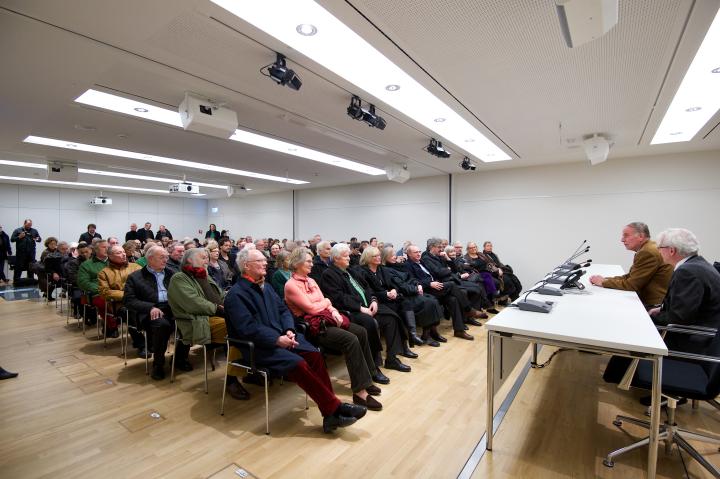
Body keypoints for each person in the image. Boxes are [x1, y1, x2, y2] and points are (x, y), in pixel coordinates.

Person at [224, 247, 367, 432]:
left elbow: (283, 310)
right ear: (246, 265)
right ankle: (335, 408)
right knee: (298, 363)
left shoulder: (265, 286)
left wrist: (289, 329)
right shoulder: (236, 295)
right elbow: (248, 328)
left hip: (284, 336)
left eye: (264, 260)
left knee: (314, 354)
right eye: (260, 261)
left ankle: (330, 411)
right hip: (260, 346)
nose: (266, 262)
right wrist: (277, 339)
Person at [604, 228, 720, 391]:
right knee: (641, 320)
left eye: (660, 248)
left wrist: (649, 318)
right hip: (703, 334)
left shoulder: (688, 272)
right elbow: (685, 306)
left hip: (693, 340)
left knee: (636, 327)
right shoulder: (697, 265)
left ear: (671, 250)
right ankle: (620, 375)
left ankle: (620, 377)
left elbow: (680, 317)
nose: (658, 251)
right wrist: (660, 309)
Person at [284, 248, 384, 409]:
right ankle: (360, 393)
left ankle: (369, 376)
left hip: (326, 318)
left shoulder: (311, 281)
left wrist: (334, 311)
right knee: (351, 339)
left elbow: (325, 302)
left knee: (361, 331)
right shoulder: (291, 285)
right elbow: (311, 309)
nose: (312, 264)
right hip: (313, 326)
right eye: (309, 261)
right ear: (298, 264)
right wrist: (326, 305)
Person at [167, 248, 247, 400]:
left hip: (217, 317)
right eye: (203, 258)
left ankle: (250, 370)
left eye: (207, 258)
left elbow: (220, 295)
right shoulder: (179, 278)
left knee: (248, 324)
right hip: (198, 321)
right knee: (236, 330)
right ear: (189, 260)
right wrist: (218, 308)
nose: (206, 261)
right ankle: (231, 380)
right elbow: (194, 303)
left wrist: (231, 303)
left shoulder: (204, 275)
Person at [320, 243, 410, 372]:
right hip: (351, 311)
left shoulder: (350, 270)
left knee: (391, 317)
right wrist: (360, 308)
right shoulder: (329, 274)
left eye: (348, 256)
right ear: (336, 259)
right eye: (345, 257)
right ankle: (373, 366)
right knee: (370, 323)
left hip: (368, 306)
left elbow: (367, 288)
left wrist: (373, 300)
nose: (349, 259)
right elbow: (339, 298)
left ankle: (391, 358)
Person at [124, 245, 188, 380]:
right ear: (150, 259)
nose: (166, 260)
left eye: (166, 257)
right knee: (162, 326)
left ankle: (179, 358)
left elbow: (183, 292)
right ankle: (158, 364)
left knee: (191, 321)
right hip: (151, 310)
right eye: (162, 257)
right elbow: (129, 300)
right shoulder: (135, 277)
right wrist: (149, 307)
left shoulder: (172, 274)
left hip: (172, 308)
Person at [353, 246, 420, 358]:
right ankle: (401, 348)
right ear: (368, 258)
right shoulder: (362, 272)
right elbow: (368, 292)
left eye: (379, 255)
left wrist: (394, 290)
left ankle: (407, 343)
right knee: (395, 314)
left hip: (389, 298)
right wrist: (385, 294)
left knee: (405, 303)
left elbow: (392, 285)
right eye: (376, 256)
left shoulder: (382, 269)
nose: (379, 258)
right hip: (377, 301)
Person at [590, 222, 672, 308]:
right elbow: (631, 277)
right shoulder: (648, 247)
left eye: (626, 235)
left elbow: (632, 285)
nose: (622, 240)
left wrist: (603, 282)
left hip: (652, 306)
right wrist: (605, 279)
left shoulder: (647, 252)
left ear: (641, 236)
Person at [405, 244, 474, 341]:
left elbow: (435, 272)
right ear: (409, 254)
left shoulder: (422, 262)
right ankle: (468, 309)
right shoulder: (407, 265)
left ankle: (459, 330)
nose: (419, 254)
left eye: (419, 252)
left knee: (453, 299)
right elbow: (412, 280)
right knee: (452, 285)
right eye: (415, 252)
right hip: (425, 290)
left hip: (436, 287)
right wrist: (429, 283)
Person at [381, 245, 444, 346]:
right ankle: (426, 335)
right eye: (392, 255)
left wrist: (418, 285)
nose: (395, 257)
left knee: (433, 300)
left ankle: (431, 332)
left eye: (394, 255)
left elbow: (411, 278)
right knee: (429, 302)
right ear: (385, 257)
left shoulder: (399, 266)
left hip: (413, 291)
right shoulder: (386, 270)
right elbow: (401, 286)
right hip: (405, 296)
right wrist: (415, 289)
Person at [422, 238, 488, 323]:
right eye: (439, 247)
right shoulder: (426, 257)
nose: (441, 249)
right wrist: (448, 270)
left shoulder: (439, 255)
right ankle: (469, 313)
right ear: (431, 247)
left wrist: (447, 259)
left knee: (477, 288)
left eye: (442, 247)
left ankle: (470, 316)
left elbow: (454, 269)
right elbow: (438, 273)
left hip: (452, 278)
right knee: (465, 292)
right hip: (444, 282)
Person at [97, 245, 142, 338]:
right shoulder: (104, 272)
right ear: (110, 256)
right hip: (119, 304)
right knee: (130, 313)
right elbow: (105, 292)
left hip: (140, 300)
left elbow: (145, 284)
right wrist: (127, 295)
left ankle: (153, 341)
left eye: (123, 252)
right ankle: (140, 343)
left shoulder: (136, 267)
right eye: (119, 253)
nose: (123, 254)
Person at [77, 240, 109, 324]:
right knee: (106, 303)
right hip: (96, 293)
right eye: (104, 247)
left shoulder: (114, 262)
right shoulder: (86, 265)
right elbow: (83, 282)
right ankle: (112, 326)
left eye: (108, 247)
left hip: (115, 291)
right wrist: (100, 289)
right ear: (96, 250)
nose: (107, 249)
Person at [10, 219, 41, 283]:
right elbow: (12, 239)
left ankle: (30, 280)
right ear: (24, 223)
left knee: (31, 267)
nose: (29, 226)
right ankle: (16, 281)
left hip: (31, 253)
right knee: (19, 267)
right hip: (21, 253)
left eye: (31, 225)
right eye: (28, 224)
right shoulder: (18, 230)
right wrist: (19, 237)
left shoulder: (34, 231)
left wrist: (37, 239)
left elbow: (39, 239)